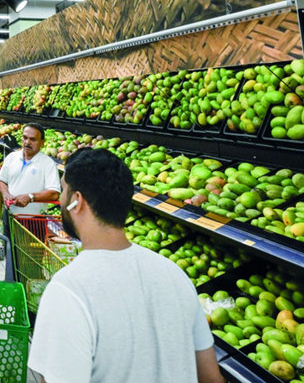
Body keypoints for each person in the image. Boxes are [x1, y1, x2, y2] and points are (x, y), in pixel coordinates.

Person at [27, 148, 223, 383]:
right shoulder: (175, 275)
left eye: (63, 191)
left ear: (76, 202)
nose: (60, 200)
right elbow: (211, 378)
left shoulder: (68, 288)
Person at [0, 123, 61, 216]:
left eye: (33, 139)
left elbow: (54, 194)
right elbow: (1, 180)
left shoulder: (48, 164)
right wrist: (5, 193)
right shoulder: (11, 157)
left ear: (42, 143)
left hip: (33, 220)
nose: (27, 142)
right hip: (9, 214)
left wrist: (31, 197)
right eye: (25, 138)